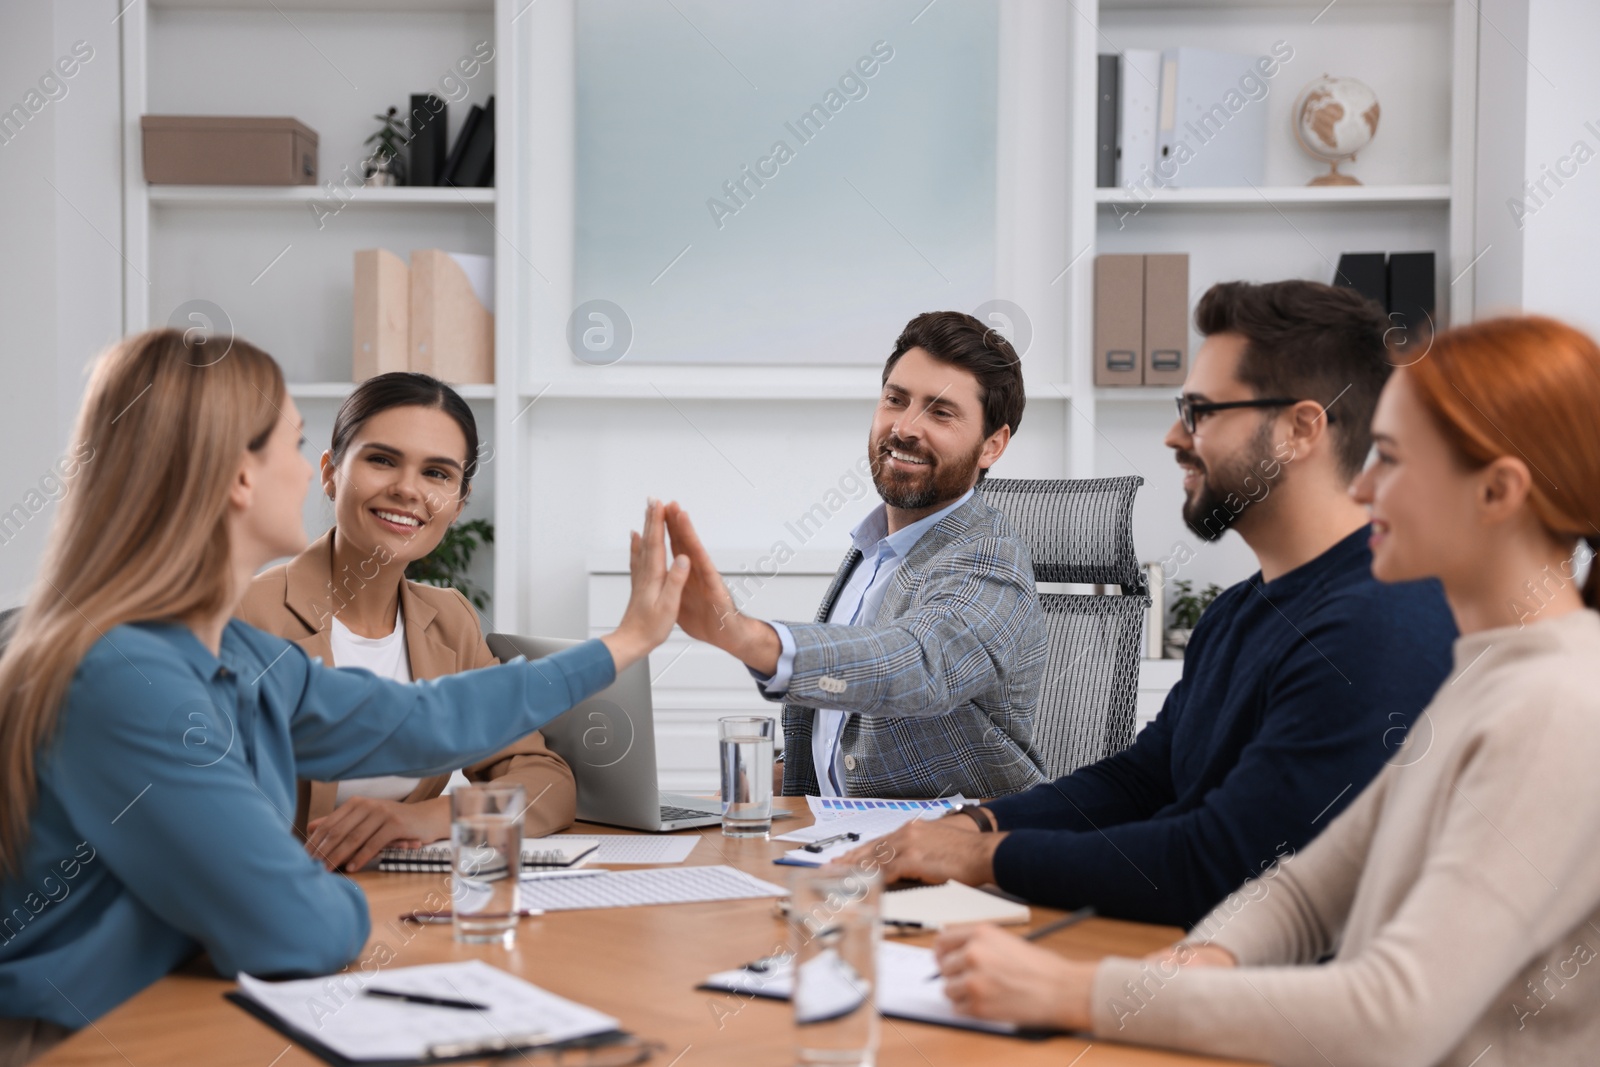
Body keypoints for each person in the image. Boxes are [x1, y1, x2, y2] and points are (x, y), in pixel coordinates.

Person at [930, 314, 1600, 1066]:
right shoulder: (1492, 674)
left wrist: (1074, 991)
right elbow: (1306, 892)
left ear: (1497, 492)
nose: (1366, 483)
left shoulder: (1558, 705)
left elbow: (1394, 1014)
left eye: (1390, 457)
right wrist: (1196, 968)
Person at [0, 329, 686, 1051]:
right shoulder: (123, 676)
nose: (304, 473)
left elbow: (420, 720)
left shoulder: (231, 651)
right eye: (295, 447)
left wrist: (625, 642)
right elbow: (294, 927)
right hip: (82, 1039)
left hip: (186, 1010)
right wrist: (310, 887)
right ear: (240, 476)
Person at [844, 280, 1457, 927]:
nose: (1172, 435)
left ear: (1300, 429)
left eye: (1200, 411)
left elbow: (1220, 865)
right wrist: (975, 823)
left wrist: (984, 857)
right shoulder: (1241, 611)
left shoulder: (1375, 625)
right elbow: (1144, 779)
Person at [665, 311, 1049, 799]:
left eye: (941, 412)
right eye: (895, 400)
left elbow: (919, 665)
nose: (905, 427)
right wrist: (744, 791)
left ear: (991, 445)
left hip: (957, 851)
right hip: (838, 837)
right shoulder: (874, 552)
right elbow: (845, 727)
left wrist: (749, 638)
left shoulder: (990, 560)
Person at [237, 373, 576, 872]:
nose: (406, 490)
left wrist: (433, 817)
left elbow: (545, 779)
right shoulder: (243, 614)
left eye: (437, 474)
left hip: (397, 902)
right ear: (330, 472)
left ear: (459, 503)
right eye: (381, 460)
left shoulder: (449, 621)